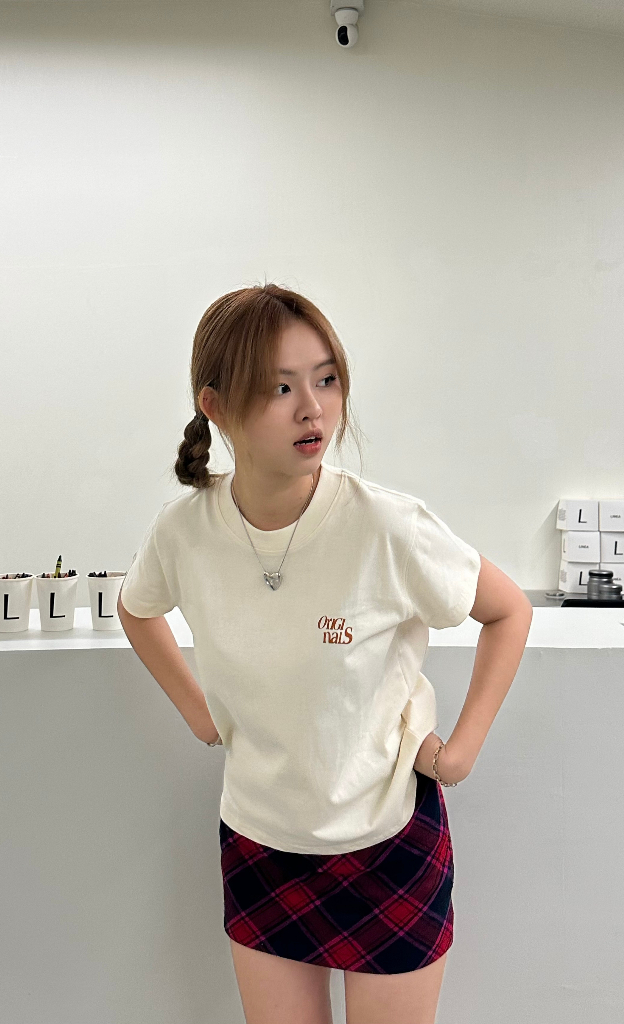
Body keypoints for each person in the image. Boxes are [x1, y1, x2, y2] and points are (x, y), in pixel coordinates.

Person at [118, 283, 532, 1024]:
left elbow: (508, 610)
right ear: (216, 406)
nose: (313, 409)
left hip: (389, 839)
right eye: (280, 388)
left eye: (326, 379)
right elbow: (136, 606)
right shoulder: (183, 532)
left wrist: (461, 753)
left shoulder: (388, 526)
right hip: (260, 840)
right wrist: (199, 714)